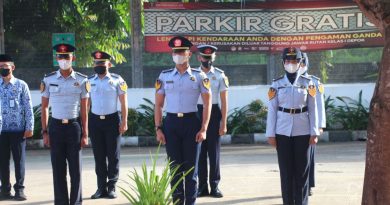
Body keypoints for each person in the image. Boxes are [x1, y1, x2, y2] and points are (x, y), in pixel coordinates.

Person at [154, 36, 212, 205]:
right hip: (170, 124)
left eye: (181, 52)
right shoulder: (164, 76)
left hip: (191, 124)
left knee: (191, 170)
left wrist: (204, 128)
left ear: (189, 54)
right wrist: (158, 128)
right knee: (175, 169)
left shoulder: (199, 76)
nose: (178, 55)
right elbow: (158, 105)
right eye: (175, 52)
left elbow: (207, 103)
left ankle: (190, 203)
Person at [266, 47, 320, 205]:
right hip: (282, 132)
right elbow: (272, 110)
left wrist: (314, 132)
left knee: (302, 172)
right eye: (288, 61)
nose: (291, 64)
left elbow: (313, 108)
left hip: (303, 131)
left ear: (300, 63)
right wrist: (270, 133)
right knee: (286, 172)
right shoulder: (276, 84)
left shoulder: (308, 83)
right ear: (283, 63)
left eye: (295, 61)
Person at [41, 44, 89, 205]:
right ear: (56, 59)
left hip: (74, 127)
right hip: (55, 127)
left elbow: (84, 109)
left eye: (66, 57)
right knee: (58, 170)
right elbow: (45, 107)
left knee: (75, 170)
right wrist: (45, 131)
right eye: (60, 57)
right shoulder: (48, 79)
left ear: (73, 58)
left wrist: (85, 133)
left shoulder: (82, 80)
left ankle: (76, 202)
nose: (63, 60)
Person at [88, 51, 128, 199]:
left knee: (113, 155)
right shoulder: (89, 80)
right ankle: (100, 188)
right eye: (97, 63)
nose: (99, 66)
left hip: (112, 120)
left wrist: (124, 121)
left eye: (102, 63)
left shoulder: (118, 80)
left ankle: (111, 186)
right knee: (99, 156)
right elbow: (87, 104)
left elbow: (124, 102)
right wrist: (85, 124)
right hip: (95, 120)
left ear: (109, 65)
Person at [195, 45, 228, 198]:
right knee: (199, 152)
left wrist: (224, 122)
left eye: (209, 58)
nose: (206, 60)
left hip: (214, 114)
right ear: (199, 58)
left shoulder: (220, 75)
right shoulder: (193, 74)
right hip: (196, 113)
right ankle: (202, 187)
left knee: (214, 152)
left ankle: (214, 186)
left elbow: (224, 101)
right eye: (204, 57)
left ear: (213, 58)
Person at [0, 54, 34, 201]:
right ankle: (5, 190)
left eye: (5, 67)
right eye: (0, 67)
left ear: (12, 68)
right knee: (2, 162)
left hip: (18, 130)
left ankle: (19, 189)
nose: (3, 70)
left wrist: (30, 127)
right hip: (1, 131)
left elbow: (28, 107)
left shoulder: (21, 85)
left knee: (19, 161)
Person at [300, 53, 326, 196]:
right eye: (299, 63)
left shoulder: (314, 82)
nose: (301, 66)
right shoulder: (289, 81)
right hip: (297, 124)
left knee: (309, 157)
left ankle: (308, 184)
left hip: (311, 125)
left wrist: (320, 126)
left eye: (303, 63)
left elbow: (320, 106)